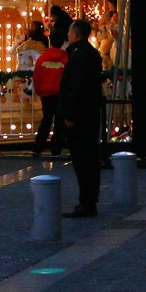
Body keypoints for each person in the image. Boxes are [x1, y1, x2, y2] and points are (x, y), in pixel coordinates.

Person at [59, 19, 106, 218]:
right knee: (88, 159)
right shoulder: (87, 54)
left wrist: (70, 114)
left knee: (83, 160)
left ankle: (86, 202)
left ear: (75, 34)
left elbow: (77, 89)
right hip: (88, 114)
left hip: (81, 117)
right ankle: (88, 200)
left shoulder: (80, 57)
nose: (68, 36)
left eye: (70, 32)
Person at [32, 34, 68, 157]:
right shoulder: (65, 59)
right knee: (59, 121)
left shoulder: (42, 58)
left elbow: (37, 76)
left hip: (46, 93)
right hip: (60, 93)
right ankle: (56, 148)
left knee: (46, 119)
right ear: (62, 42)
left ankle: (38, 146)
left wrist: (38, 90)